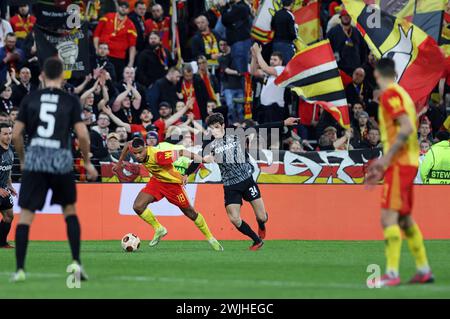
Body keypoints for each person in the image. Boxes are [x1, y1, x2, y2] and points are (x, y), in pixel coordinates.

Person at [11, 57, 98, 282]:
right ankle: (76, 265)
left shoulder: (31, 98)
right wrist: (87, 162)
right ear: (62, 76)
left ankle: (20, 270)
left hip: (36, 159)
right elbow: (83, 135)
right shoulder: (70, 101)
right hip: (60, 161)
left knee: (26, 216)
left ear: (41, 75)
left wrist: (23, 159)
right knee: (69, 211)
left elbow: (16, 134)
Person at [186, 113, 299, 250]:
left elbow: (259, 127)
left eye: (216, 127)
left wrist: (283, 122)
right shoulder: (208, 143)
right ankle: (257, 241)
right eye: (211, 128)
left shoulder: (235, 134)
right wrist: (186, 174)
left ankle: (261, 224)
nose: (214, 131)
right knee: (234, 218)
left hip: (247, 180)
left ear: (223, 126)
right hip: (230, 185)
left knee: (262, 216)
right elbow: (198, 159)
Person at [366, 58, 433, 287]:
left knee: (388, 218)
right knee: (404, 218)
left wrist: (386, 158)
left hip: (400, 163)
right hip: (408, 161)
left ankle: (392, 274)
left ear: (377, 75)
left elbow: (405, 126)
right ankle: (423, 269)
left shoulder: (389, 95)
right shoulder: (403, 94)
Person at [114, 137, 223, 251]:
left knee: (191, 213)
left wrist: (203, 160)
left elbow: (181, 152)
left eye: (140, 152)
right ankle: (159, 228)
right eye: (135, 153)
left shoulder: (158, 156)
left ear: (146, 147)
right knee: (138, 206)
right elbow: (127, 144)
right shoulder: (135, 148)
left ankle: (211, 239)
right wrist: (119, 163)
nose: (137, 156)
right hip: (157, 182)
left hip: (173, 185)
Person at [93, 1, 137, 80]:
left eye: (126, 8)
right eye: (121, 7)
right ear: (118, 7)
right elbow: (96, 34)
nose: (123, 9)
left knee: (114, 79)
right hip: (103, 54)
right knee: (99, 77)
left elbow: (132, 46)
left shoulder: (131, 25)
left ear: (128, 10)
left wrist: (131, 63)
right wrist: (96, 49)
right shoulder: (107, 17)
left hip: (118, 57)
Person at [250, 44, 286, 123]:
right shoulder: (269, 72)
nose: (272, 61)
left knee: (273, 134)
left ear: (281, 61)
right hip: (265, 108)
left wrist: (258, 53)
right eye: (271, 59)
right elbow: (253, 72)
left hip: (275, 108)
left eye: (275, 60)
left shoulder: (282, 70)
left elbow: (265, 68)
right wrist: (254, 56)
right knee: (264, 134)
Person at [327, 10, 367, 76]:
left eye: (348, 15)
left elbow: (363, 50)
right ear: (340, 17)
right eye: (344, 16)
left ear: (351, 17)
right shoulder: (333, 32)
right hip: (340, 69)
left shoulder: (357, 31)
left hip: (355, 69)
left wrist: (362, 66)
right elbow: (327, 48)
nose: (346, 17)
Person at [220, 0, 252, 74]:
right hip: (238, 42)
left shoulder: (240, 7)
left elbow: (225, 19)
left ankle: (244, 85)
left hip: (240, 42)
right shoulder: (240, 7)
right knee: (239, 67)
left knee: (240, 70)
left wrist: (223, 7)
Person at [218, 40, 244, 123]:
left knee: (240, 109)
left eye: (224, 44)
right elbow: (227, 70)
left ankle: (242, 127)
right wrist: (238, 72)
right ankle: (231, 127)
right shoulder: (221, 58)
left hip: (239, 86)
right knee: (231, 108)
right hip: (228, 87)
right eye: (221, 45)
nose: (223, 47)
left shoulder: (237, 57)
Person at [0, 122, 16, 248]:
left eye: (10, 133)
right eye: (5, 134)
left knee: (9, 216)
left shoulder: (10, 151)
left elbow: (8, 171)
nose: (8, 136)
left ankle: (2, 242)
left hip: (4, 190)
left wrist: (9, 185)